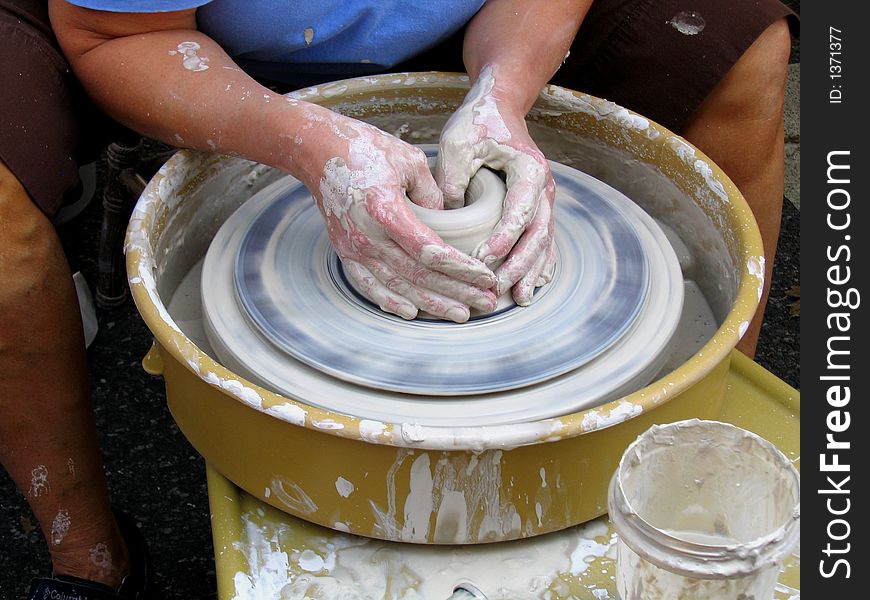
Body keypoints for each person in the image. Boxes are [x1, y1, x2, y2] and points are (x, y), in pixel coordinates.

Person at [0, 0, 795, 596]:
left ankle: (695, 451)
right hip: (171, 39)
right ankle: (89, 558)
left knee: (743, 46)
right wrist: (307, 145)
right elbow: (118, 35)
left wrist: (506, 87)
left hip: (481, 19)